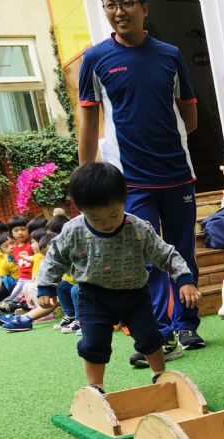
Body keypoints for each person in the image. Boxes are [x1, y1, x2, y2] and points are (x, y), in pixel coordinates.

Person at [78, 0, 206, 368]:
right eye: (110, 5)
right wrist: (86, 179)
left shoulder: (170, 55)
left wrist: (166, 138)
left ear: (144, 8)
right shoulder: (95, 59)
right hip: (129, 181)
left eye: (127, 3)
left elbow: (190, 113)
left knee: (182, 251)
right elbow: (89, 122)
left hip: (177, 173)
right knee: (143, 258)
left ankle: (187, 325)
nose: (119, 11)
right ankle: (158, 333)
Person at [33, 162, 200, 393]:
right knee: (93, 343)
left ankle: (160, 376)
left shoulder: (137, 227)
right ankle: (96, 388)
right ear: (81, 209)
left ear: (124, 201)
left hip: (135, 295)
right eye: (96, 218)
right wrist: (46, 287)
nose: (107, 223)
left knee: (150, 337)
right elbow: (54, 258)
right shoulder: (74, 230)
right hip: (93, 296)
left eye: (114, 214)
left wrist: (184, 279)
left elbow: (165, 253)